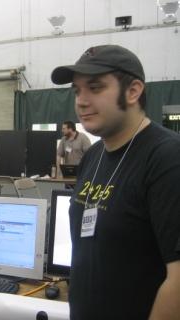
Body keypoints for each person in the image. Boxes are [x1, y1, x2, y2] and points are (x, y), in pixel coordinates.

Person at [51, 45, 180, 319]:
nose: (81, 101)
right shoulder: (95, 155)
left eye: (95, 88)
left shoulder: (168, 159)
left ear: (133, 91)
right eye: (77, 91)